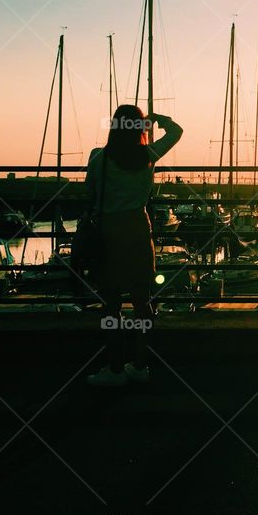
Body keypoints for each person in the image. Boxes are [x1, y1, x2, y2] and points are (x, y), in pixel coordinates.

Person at [85, 105, 183, 387]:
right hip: (139, 230)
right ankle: (140, 364)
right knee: (142, 303)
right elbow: (177, 132)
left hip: (109, 231)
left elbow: (89, 191)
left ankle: (115, 369)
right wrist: (157, 120)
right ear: (139, 129)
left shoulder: (99, 158)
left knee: (111, 304)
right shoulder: (148, 156)